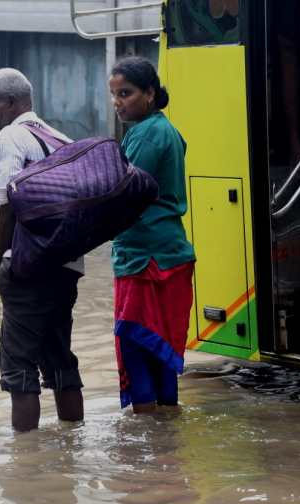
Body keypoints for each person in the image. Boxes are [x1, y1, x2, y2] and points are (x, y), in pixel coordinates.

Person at [0, 67, 84, 432]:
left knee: (17, 366)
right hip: (67, 266)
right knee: (59, 360)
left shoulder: (11, 137)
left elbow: (6, 201)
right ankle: (73, 443)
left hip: (28, 268)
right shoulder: (61, 138)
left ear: (10, 104)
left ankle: (25, 466)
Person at [107, 57, 196, 413]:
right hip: (170, 252)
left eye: (125, 93)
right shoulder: (168, 130)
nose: (118, 103)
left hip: (145, 258)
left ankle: (146, 435)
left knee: (136, 343)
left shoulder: (144, 134)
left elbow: (125, 195)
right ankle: (166, 439)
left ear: (150, 93)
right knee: (161, 347)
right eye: (114, 95)